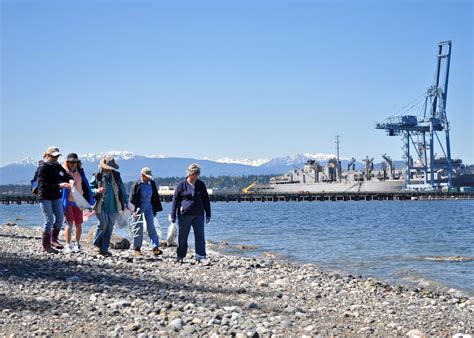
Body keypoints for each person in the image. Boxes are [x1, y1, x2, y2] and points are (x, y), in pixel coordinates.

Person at [169, 163, 211, 264]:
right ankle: (180, 256)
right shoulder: (181, 185)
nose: (195, 176)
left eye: (197, 173)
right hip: (184, 215)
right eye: (193, 173)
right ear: (188, 173)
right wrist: (172, 214)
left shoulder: (201, 184)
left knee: (200, 236)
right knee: (183, 237)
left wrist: (208, 213)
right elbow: (175, 200)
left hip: (199, 214)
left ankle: (200, 256)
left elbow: (206, 199)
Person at [89, 155, 129, 257]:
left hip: (113, 205)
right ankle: (97, 243)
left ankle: (104, 248)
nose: (110, 170)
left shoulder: (116, 175)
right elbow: (90, 188)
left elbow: (122, 189)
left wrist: (126, 201)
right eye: (108, 168)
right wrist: (97, 190)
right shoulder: (97, 175)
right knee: (103, 224)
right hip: (100, 204)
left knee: (110, 226)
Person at [36, 146, 72, 254]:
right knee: (49, 220)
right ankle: (46, 245)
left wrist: (70, 180)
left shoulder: (57, 166)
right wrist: (59, 186)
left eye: (57, 156)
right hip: (44, 196)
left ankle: (54, 240)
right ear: (48, 155)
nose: (56, 158)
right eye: (53, 156)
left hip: (56, 196)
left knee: (60, 218)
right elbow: (43, 185)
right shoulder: (43, 167)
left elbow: (66, 175)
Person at [61, 153, 94, 253]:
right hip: (68, 201)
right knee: (69, 223)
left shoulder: (80, 171)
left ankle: (77, 244)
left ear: (77, 162)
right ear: (67, 162)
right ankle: (67, 244)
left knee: (79, 224)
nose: (72, 164)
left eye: (74, 162)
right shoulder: (64, 172)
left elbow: (85, 185)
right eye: (70, 162)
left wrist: (89, 197)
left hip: (79, 201)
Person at [129, 167, 163, 256]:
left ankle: (155, 247)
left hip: (149, 206)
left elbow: (155, 196)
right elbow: (132, 199)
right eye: (147, 176)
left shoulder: (152, 183)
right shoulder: (136, 184)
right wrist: (133, 211)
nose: (148, 178)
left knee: (151, 226)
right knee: (138, 227)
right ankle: (137, 248)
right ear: (142, 175)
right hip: (139, 207)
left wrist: (156, 208)